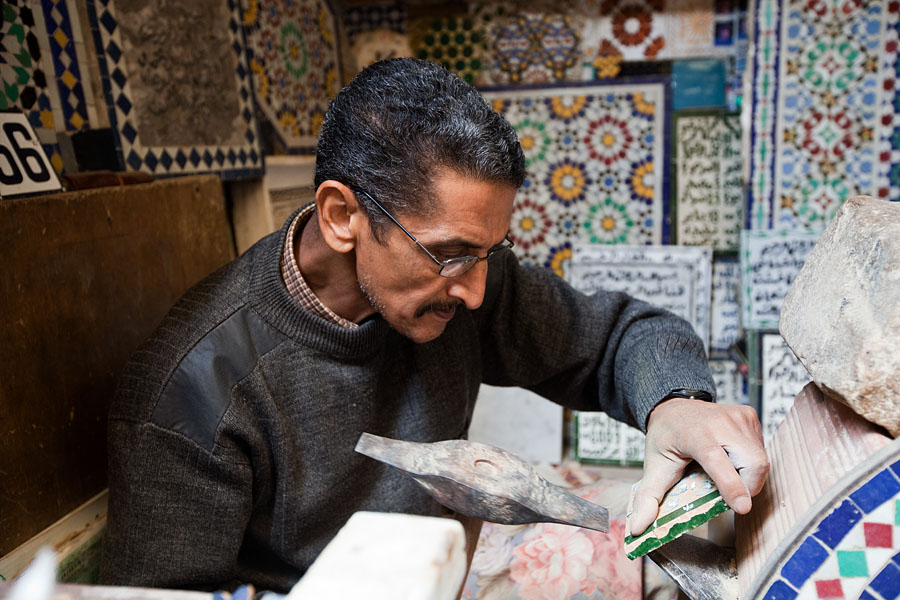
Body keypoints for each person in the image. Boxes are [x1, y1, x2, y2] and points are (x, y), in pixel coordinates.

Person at [100, 57, 768, 593]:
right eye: (449, 254)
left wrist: (677, 404)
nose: (476, 292)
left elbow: (621, 334)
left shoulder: (460, 285)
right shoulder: (194, 389)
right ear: (340, 216)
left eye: (489, 253)